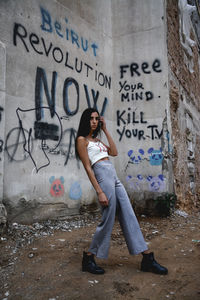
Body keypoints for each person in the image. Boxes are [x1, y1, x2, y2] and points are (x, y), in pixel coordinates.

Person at [75, 108, 168, 275]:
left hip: (113, 175)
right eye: (91, 119)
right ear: (85, 120)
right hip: (102, 176)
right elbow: (88, 167)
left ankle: (146, 257)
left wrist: (105, 129)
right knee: (108, 217)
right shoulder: (82, 140)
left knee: (128, 212)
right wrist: (99, 191)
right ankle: (89, 257)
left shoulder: (97, 140)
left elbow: (114, 152)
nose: (94, 121)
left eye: (96, 118)